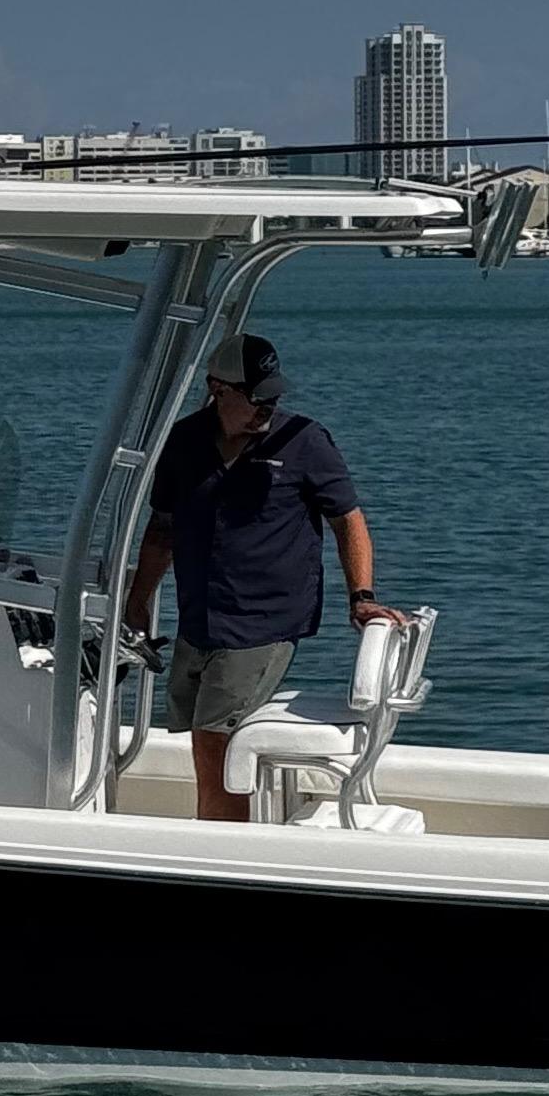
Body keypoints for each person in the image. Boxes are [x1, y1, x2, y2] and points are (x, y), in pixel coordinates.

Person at [124, 332, 401, 821]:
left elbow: (348, 520)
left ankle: (219, 848)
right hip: (199, 618)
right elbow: (162, 528)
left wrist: (361, 596)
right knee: (202, 739)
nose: (266, 407)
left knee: (218, 741)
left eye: (273, 396)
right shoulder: (184, 441)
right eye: (256, 397)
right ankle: (223, 834)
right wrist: (138, 601)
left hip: (264, 622)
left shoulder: (305, 442)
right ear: (218, 389)